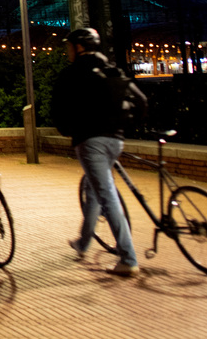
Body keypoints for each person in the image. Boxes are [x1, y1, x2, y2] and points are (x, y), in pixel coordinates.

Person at [52, 27, 147, 277]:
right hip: (116, 140)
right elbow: (141, 102)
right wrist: (121, 125)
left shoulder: (71, 74)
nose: (67, 51)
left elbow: (58, 111)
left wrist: (71, 130)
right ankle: (83, 242)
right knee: (95, 189)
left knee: (107, 196)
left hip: (89, 141)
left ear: (79, 47)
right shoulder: (111, 69)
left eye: (69, 47)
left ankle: (128, 258)